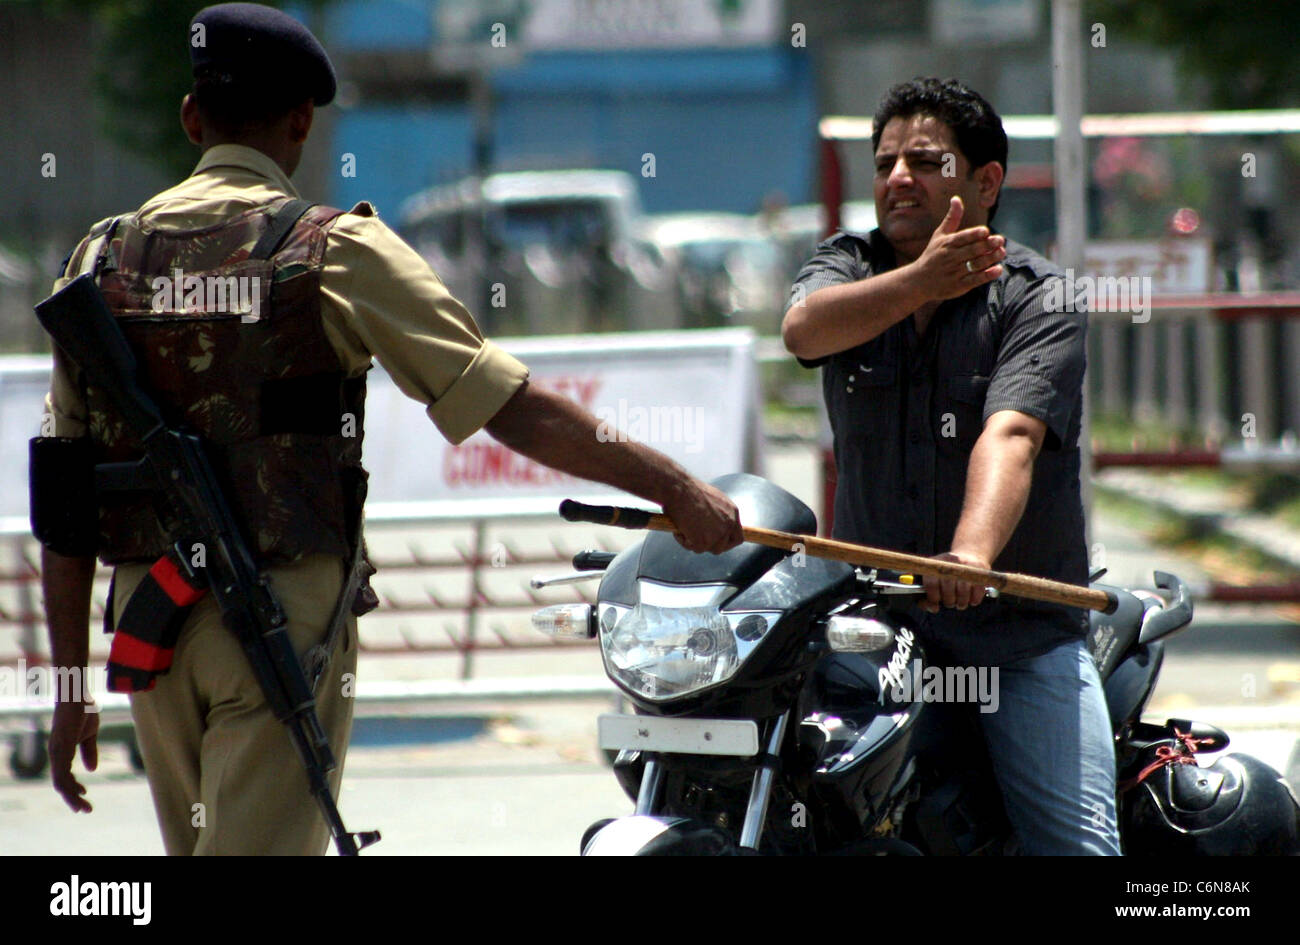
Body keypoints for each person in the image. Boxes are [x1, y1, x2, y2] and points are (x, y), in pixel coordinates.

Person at [35, 2, 742, 855]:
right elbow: (506, 405)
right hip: (274, 619)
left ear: (191, 117)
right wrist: (675, 488)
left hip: (152, 625)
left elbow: (64, 492)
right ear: (302, 122)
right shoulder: (335, 250)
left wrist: (69, 682)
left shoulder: (102, 260)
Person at [782, 77, 1119, 855]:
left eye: (926, 161)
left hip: (1018, 636)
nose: (898, 177)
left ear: (985, 182)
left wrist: (971, 553)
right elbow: (803, 332)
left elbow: (1011, 436)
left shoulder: (1042, 297)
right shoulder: (849, 264)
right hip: (876, 633)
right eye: (885, 162)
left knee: (1079, 846)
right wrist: (921, 282)